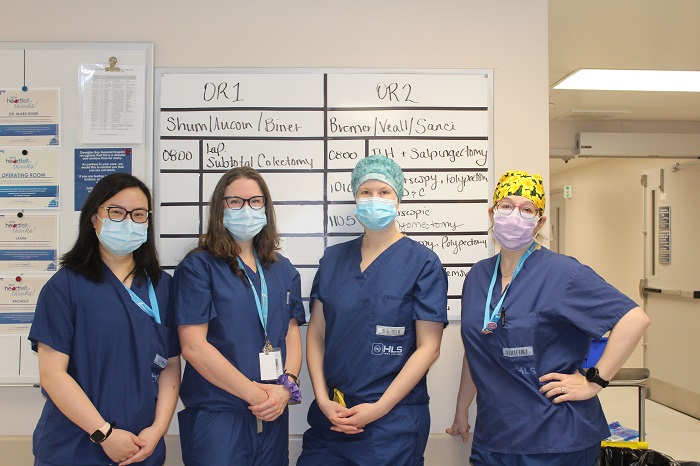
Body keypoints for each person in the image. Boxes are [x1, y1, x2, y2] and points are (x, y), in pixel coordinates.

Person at [446, 170, 651, 466]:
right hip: (495, 436)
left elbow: (635, 319)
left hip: (557, 439)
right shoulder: (478, 274)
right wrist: (461, 409)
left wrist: (593, 380)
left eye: (527, 209)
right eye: (506, 205)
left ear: (539, 222)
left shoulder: (564, 273)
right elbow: (477, 348)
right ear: (492, 213)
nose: (515, 214)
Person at [298, 155, 449, 466]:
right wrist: (324, 400)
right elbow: (315, 335)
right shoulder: (333, 259)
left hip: (393, 422)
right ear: (356, 196)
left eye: (384, 192)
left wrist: (379, 408)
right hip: (333, 417)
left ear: (398, 199)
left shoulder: (423, 263)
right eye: (366, 192)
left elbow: (429, 348)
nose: (374, 199)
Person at [28, 173, 181, 466]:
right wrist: (104, 434)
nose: (128, 222)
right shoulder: (64, 287)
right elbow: (52, 375)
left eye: (138, 214)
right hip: (74, 449)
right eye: (116, 212)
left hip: (141, 447)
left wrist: (157, 430)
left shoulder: (162, 286)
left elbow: (170, 365)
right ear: (94, 218)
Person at [173, 167, 305, 466]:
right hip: (220, 414)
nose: (247, 209)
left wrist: (288, 387)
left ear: (266, 208)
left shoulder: (282, 268)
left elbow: (291, 333)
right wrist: (256, 396)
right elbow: (193, 346)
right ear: (220, 208)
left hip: (273, 412)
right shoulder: (199, 267)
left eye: (255, 201)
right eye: (235, 201)